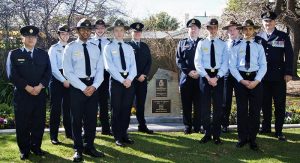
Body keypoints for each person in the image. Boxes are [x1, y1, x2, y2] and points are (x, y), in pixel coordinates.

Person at [6, 25, 51, 160]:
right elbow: (12, 74)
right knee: (22, 123)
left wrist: (40, 86)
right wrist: (27, 87)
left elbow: (48, 72)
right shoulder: (14, 54)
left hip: (39, 94)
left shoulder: (43, 54)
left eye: (33, 37)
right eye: (28, 36)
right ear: (22, 38)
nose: (31, 39)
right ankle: (24, 150)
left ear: (36, 39)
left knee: (39, 122)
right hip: (22, 95)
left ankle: (36, 147)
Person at [63, 18, 105, 162]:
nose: (86, 32)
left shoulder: (95, 47)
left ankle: (90, 146)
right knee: (76, 119)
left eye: (88, 30)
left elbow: (100, 69)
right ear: (78, 31)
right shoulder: (70, 47)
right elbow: (67, 71)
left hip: (93, 86)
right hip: (77, 87)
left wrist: (94, 86)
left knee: (91, 119)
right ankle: (78, 149)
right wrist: (82, 87)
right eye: (83, 29)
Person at [229, 19, 267, 151]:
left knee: (255, 111)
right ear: (242, 30)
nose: (248, 31)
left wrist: (256, 81)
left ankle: (253, 139)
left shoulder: (259, 46)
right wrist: (242, 80)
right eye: (245, 29)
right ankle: (242, 138)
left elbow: (263, 66)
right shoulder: (236, 47)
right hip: (241, 80)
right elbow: (232, 67)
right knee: (242, 110)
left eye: (250, 29)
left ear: (254, 30)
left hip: (256, 79)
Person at [257, 11, 294, 141]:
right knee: (264, 103)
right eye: (266, 21)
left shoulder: (282, 36)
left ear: (275, 22)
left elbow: (289, 55)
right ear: (263, 22)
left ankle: (278, 131)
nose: (268, 23)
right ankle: (266, 127)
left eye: (270, 21)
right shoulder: (258, 37)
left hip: (278, 76)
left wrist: (289, 72)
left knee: (279, 104)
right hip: (262, 76)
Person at [103, 19, 137, 147]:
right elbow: (109, 67)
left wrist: (130, 79)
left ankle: (124, 134)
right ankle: (117, 136)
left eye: (121, 30)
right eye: (116, 30)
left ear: (124, 32)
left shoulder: (129, 47)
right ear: (113, 32)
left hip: (129, 81)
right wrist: (122, 80)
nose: (119, 33)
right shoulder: (108, 47)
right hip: (117, 82)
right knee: (116, 109)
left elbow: (133, 66)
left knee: (126, 109)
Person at [194, 18, 228, 145]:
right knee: (205, 107)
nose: (212, 30)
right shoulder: (201, 43)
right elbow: (198, 63)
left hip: (218, 77)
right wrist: (208, 78)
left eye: (215, 28)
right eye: (210, 28)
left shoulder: (223, 44)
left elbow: (225, 63)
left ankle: (217, 135)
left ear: (217, 28)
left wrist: (217, 77)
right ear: (207, 29)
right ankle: (207, 133)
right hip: (205, 77)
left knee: (218, 107)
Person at [176, 18, 202, 134]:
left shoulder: (203, 42)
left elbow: (206, 60)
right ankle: (187, 126)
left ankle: (197, 126)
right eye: (191, 28)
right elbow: (179, 60)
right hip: (186, 78)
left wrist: (198, 72)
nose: (193, 30)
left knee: (199, 103)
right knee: (186, 104)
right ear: (188, 30)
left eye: (195, 28)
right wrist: (189, 72)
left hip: (200, 78)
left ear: (199, 30)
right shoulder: (182, 43)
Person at [127, 22, 153, 134]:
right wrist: (136, 75)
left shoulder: (145, 46)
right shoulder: (127, 46)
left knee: (140, 104)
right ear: (131, 33)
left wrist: (144, 74)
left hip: (142, 80)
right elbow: (127, 63)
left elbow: (149, 62)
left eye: (139, 32)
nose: (137, 33)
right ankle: (125, 127)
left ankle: (142, 125)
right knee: (127, 104)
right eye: (135, 32)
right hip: (130, 80)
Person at [48, 24, 72, 145]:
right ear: (59, 35)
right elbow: (53, 68)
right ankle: (54, 136)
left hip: (70, 78)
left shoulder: (72, 47)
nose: (65, 36)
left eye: (67, 34)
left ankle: (69, 133)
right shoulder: (53, 48)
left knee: (68, 108)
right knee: (55, 109)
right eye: (63, 33)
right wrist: (63, 80)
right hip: (57, 80)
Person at [89, 19, 112, 135]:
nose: (100, 30)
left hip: (105, 75)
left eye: (102, 28)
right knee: (90, 103)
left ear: (105, 29)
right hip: (92, 75)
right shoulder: (89, 42)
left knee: (103, 103)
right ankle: (89, 130)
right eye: (97, 28)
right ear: (94, 29)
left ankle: (105, 129)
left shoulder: (109, 43)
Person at [220, 20, 242, 133]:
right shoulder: (224, 44)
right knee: (225, 101)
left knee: (241, 101)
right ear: (227, 32)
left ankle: (241, 125)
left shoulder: (243, 43)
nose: (232, 31)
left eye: (234, 29)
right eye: (230, 30)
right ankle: (225, 125)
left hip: (239, 76)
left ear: (238, 30)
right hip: (227, 75)